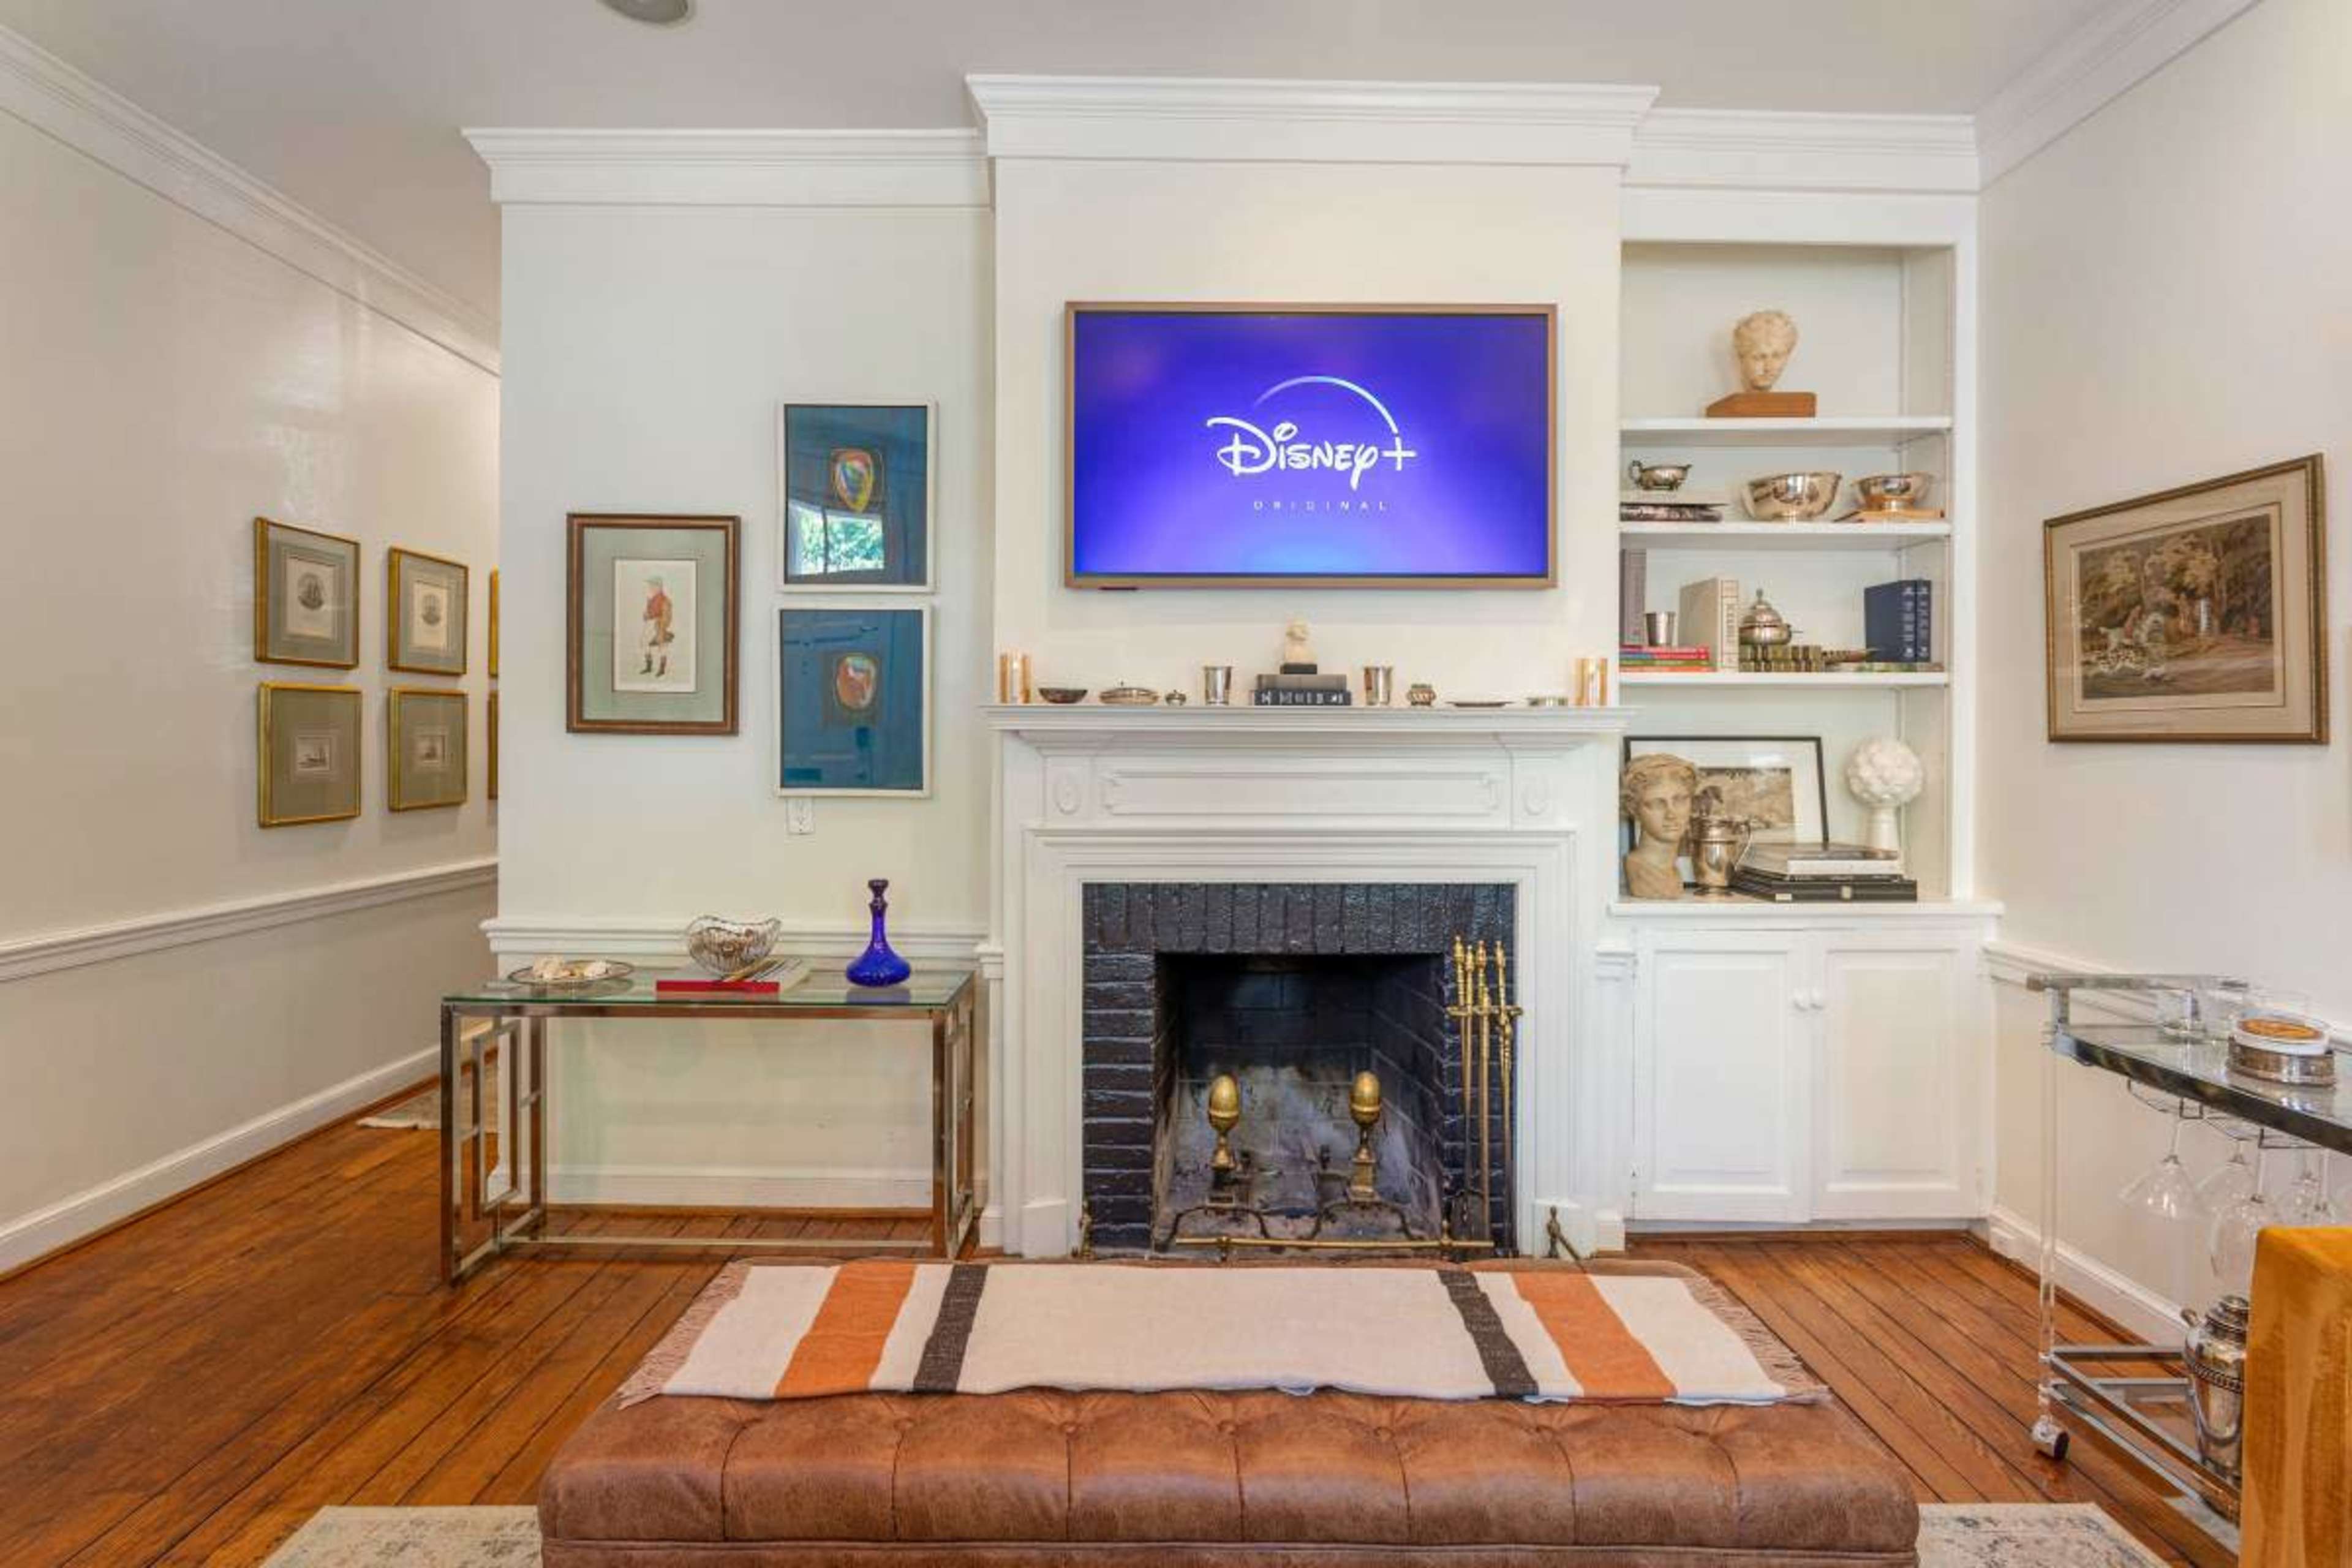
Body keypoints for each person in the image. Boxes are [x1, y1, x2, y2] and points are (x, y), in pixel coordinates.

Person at [1620, 753, 1698, 900]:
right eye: (1657, 804)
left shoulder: (1672, 872)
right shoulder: (1641, 872)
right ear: (1634, 809)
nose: (1671, 814)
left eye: (1680, 800)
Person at [638, 576, 673, 678]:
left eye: (653, 585)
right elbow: (648, 613)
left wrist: (661, 628)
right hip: (650, 624)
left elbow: (667, 616)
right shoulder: (651, 598)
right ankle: (649, 667)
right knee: (644, 643)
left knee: (662, 646)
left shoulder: (665, 600)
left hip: (659, 625)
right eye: (650, 585)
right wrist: (646, 615)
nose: (651, 587)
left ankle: (662, 669)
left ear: (659, 586)